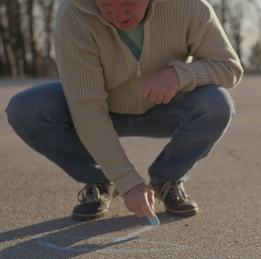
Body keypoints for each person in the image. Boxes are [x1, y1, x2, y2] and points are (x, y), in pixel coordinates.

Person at [6, 0, 243, 221]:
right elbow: (86, 107)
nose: (118, 15)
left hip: (165, 107)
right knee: (28, 109)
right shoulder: (73, 14)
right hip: (104, 110)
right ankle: (99, 180)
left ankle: (167, 179)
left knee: (216, 105)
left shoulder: (189, 6)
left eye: (128, 2)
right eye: (106, 4)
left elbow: (229, 67)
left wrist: (180, 75)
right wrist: (127, 181)